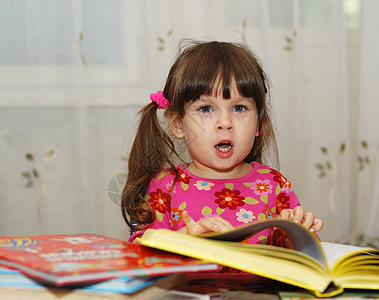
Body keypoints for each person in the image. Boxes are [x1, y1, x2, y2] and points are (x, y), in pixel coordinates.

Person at [121, 40, 323, 244]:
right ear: (178, 124)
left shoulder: (275, 186)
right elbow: (138, 252)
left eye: (239, 108)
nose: (225, 123)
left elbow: (305, 259)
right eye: (206, 109)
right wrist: (183, 240)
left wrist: (293, 237)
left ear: (258, 124)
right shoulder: (165, 187)